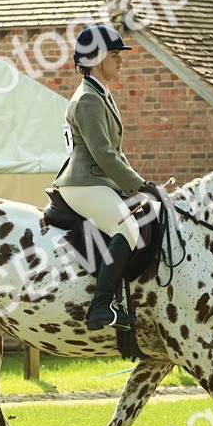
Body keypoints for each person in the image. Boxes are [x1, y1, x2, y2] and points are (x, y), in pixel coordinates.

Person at [53, 23, 155, 331]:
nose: (121, 60)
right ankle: (100, 307)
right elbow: (104, 155)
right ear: (96, 57)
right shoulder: (88, 99)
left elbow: (116, 153)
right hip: (84, 182)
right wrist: (139, 185)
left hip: (98, 180)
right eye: (114, 54)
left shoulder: (101, 93)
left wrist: (141, 186)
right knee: (127, 228)